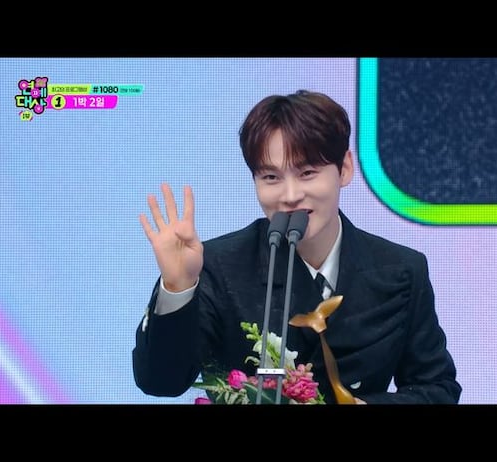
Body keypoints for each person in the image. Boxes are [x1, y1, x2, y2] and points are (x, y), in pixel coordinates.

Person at [132, 90, 462, 404]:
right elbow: (162, 382)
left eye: (307, 173)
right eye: (271, 178)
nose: (290, 196)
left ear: (345, 169)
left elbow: (437, 388)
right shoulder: (218, 267)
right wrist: (178, 287)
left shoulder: (402, 270)